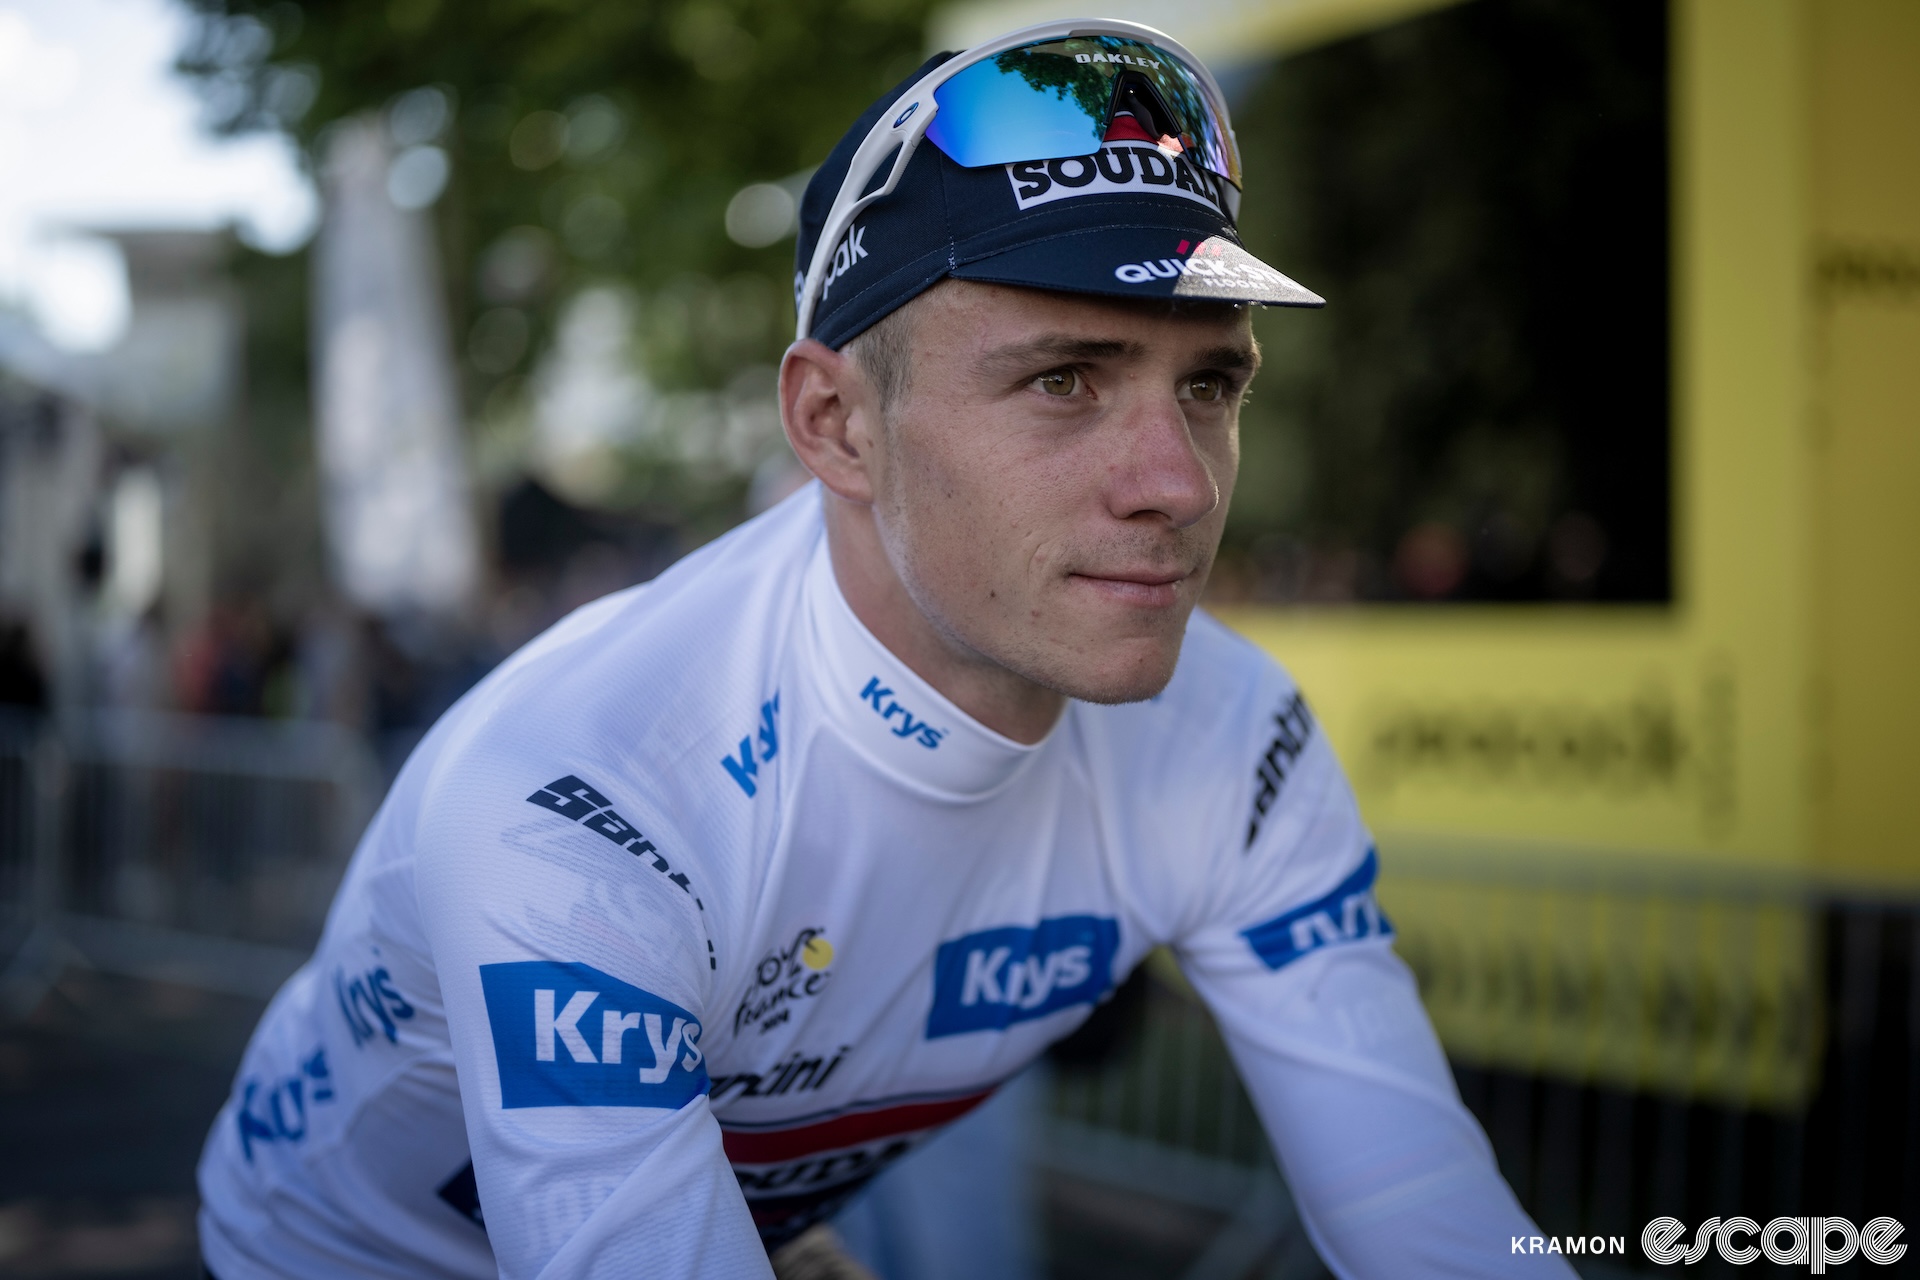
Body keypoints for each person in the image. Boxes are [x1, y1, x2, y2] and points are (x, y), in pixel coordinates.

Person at [197, 19, 1573, 1279]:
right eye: (1062, 380)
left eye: (1209, 384)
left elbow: (1430, 1215)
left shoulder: (1235, 736)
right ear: (837, 426)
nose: (1177, 482)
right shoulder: (592, 790)